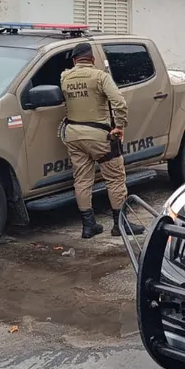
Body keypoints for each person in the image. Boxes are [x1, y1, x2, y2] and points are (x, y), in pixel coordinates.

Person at [59, 43, 145, 238]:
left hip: (73, 134)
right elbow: (119, 102)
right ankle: (120, 225)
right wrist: (120, 126)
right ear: (93, 59)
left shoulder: (64, 78)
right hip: (99, 135)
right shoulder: (100, 77)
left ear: (74, 61)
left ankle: (89, 226)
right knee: (115, 178)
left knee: (81, 180)